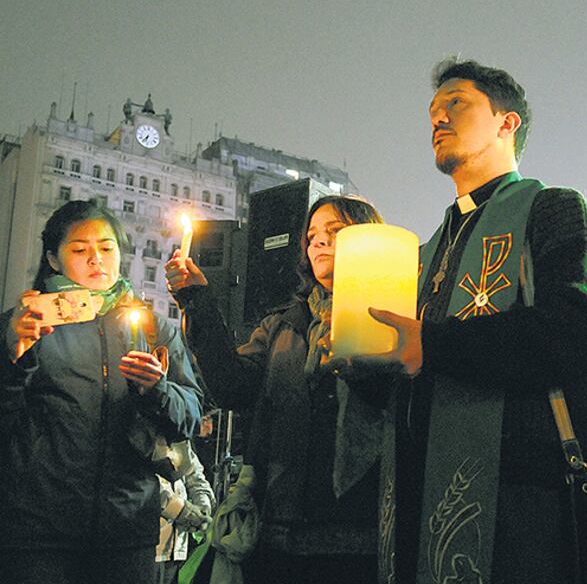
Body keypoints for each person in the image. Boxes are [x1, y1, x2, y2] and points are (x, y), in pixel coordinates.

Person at [361, 58, 587, 584]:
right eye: (433, 110)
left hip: (523, 510)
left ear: (508, 123)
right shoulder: (423, 250)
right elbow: (407, 380)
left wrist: (430, 347)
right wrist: (364, 368)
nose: (438, 118)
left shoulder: (555, 210)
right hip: (418, 507)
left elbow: (576, 331)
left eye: (456, 103)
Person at [164, 194, 384, 584]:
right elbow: (233, 387)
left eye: (335, 232)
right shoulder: (284, 326)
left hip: (361, 534)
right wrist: (197, 301)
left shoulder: (396, 321)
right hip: (280, 530)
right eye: (312, 235)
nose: (319, 242)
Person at [0, 200, 202, 584]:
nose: (96, 259)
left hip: (127, 534)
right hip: (37, 535)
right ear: (53, 260)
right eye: (80, 249)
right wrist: (13, 356)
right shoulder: (25, 323)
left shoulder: (154, 328)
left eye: (107, 248)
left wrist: (157, 389)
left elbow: (191, 414)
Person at [156, 442, 215, 584]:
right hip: (147, 546)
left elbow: (194, 474)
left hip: (175, 549)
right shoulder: (142, 432)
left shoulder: (178, 437)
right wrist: (185, 512)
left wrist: (203, 505)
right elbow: (149, 484)